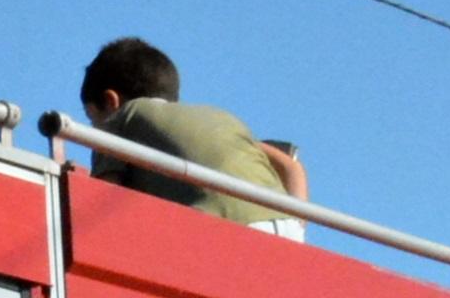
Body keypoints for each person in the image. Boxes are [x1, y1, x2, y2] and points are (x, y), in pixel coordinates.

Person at [76, 37, 309, 226]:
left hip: (228, 227)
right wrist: (296, 228)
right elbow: (291, 166)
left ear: (111, 102)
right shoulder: (216, 119)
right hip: (285, 223)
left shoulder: (120, 118)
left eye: (91, 119)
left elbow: (105, 205)